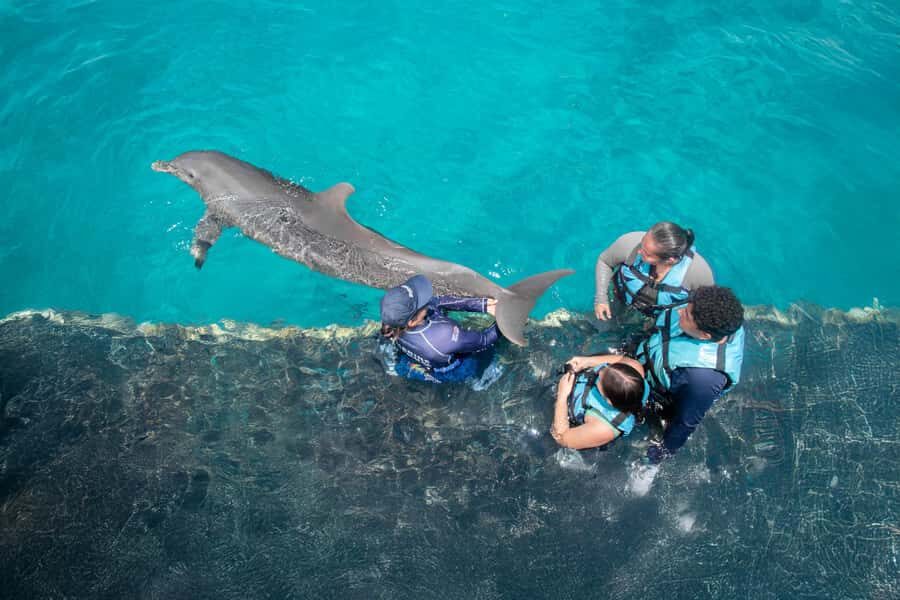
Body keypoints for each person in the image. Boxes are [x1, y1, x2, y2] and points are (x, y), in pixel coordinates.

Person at [634, 285, 745, 463]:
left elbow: (684, 424)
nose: (679, 312)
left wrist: (654, 461)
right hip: (651, 352)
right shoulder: (716, 317)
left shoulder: (702, 380)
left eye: (686, 315)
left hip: (662, 396)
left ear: (704, 335)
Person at [380, 274, 500, 383]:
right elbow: (485, 339)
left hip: (413, 360)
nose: (426, 300)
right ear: (411, 322)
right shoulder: (444, 334)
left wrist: (483, 305)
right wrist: (503, 315)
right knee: (490, 353)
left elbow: (437, 301)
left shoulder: (391, 322)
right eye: (421, 303)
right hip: (454, 369)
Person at [594, 222, 714, 322]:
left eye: (647, 253)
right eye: (642, 243)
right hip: (620, 297)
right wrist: (601, 298)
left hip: (658, 318)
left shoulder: (698, 273)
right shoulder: (630, 243)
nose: (639, 251)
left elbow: (705, 307)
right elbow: (605, 261)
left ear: (669, 260)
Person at [551, 354, 649, 450]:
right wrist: (586, 361)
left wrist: (562, 396)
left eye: (600, 380)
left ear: (608, 401)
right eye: (607, 367)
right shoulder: (635, 368)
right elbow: (621, 358)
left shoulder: (603, 428)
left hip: (588, 431)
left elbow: (562, 438)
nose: (600, 370)